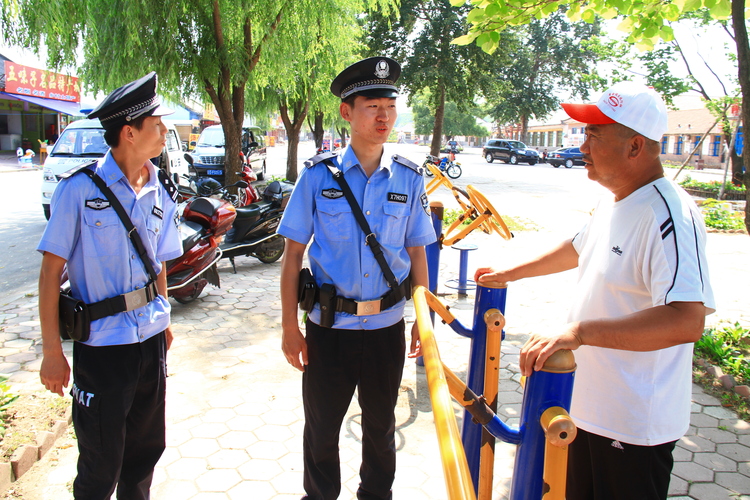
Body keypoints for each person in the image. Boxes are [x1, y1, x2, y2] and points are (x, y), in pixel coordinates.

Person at [475, 82, 715, 500]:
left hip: (632, 426)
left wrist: (580, 332)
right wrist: (509, 272)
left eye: (594, 135)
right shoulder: (617, 199)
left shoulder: (669, 216)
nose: (581, 144)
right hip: (586, 410)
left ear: (635, 147)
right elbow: (577, 247)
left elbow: (686, 320)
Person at [278, 56, 436, 500]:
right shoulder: (316, 177)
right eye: (372, 104)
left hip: (386, 330)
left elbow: (417, 251)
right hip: (328, 331)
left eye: (390, 103)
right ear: (347, 112)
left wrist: (426, 322)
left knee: (381, 430)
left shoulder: (409, 177)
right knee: (322, 430)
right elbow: (292, 256)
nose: (384, 114)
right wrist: (290, 327)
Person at [37, 72, 182, 499]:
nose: (164, 132)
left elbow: (157, 263)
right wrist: (51, 352)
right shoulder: (78, 191)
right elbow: (50, 275)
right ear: (129, 132)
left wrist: (166, 317)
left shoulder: (160, 190)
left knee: (144, 454)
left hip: (150, 342)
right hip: (102, 348)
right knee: (101, 464)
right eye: (157, 125)